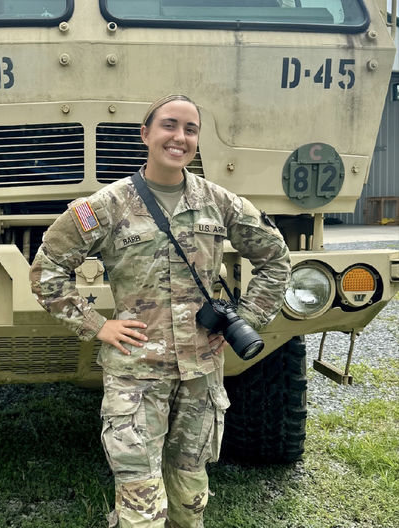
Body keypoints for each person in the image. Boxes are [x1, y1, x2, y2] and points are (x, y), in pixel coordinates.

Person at [29, 94, 290, 527]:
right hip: (136, 373)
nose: (180, 137)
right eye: (170, 125)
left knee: (190, 494)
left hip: (201, 370)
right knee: (140, 496)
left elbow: (275, 257)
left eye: (191, 129)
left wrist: (248, 318)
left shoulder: (219, 201)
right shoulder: (107, 206)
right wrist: (98, 325)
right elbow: (47, 269)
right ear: (146, 134)